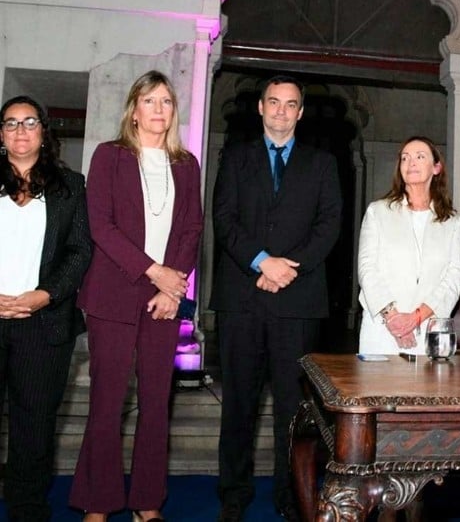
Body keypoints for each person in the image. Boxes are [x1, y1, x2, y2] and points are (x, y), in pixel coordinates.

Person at [69, 71, 204, 522]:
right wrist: (156, 273)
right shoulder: (109, 156)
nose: (159, 110)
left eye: (166, 101)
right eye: (150, 101)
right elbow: (101, 226)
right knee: (107, 402)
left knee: (155, 402)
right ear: (134, 108)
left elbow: (191, 230)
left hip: (164, 301)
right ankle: (98, 501)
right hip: (112, 296)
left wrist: (174, 285)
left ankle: (147, 501)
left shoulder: (187, 164)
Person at [210, 75, 342, 522]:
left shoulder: (322, 163)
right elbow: (223, 219)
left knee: (294, 409)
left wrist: (287, 268)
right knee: (239, 405)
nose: (282, 111)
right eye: (274, 102)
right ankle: (233, 495)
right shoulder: (235, 157)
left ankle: (292, 496)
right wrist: (262, 262)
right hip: (241, 299)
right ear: (261, 108)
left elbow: (329, 226)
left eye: (291, 104)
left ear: (301, 113)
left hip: (297, 303)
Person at [0, 96, 92, 522]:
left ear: (43, 131)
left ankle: (26, 509)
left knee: (33, 428)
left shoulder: (71, 185)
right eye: (11, 123)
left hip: (44, 325)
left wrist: (45, 295)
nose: (20, 130)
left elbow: (78, 251)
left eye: (29, 122)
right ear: (1, 135)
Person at [358, 136, 460, 355]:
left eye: (419, 156)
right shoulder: (378, 212)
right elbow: (367, 270)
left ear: (436, 168)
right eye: (405, 158)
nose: (411, 162)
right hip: (382, 328)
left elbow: (452, 278)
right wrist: (393, 319)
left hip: (429, 328)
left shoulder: (451, 222)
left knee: (425, 388)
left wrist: (415, 318)